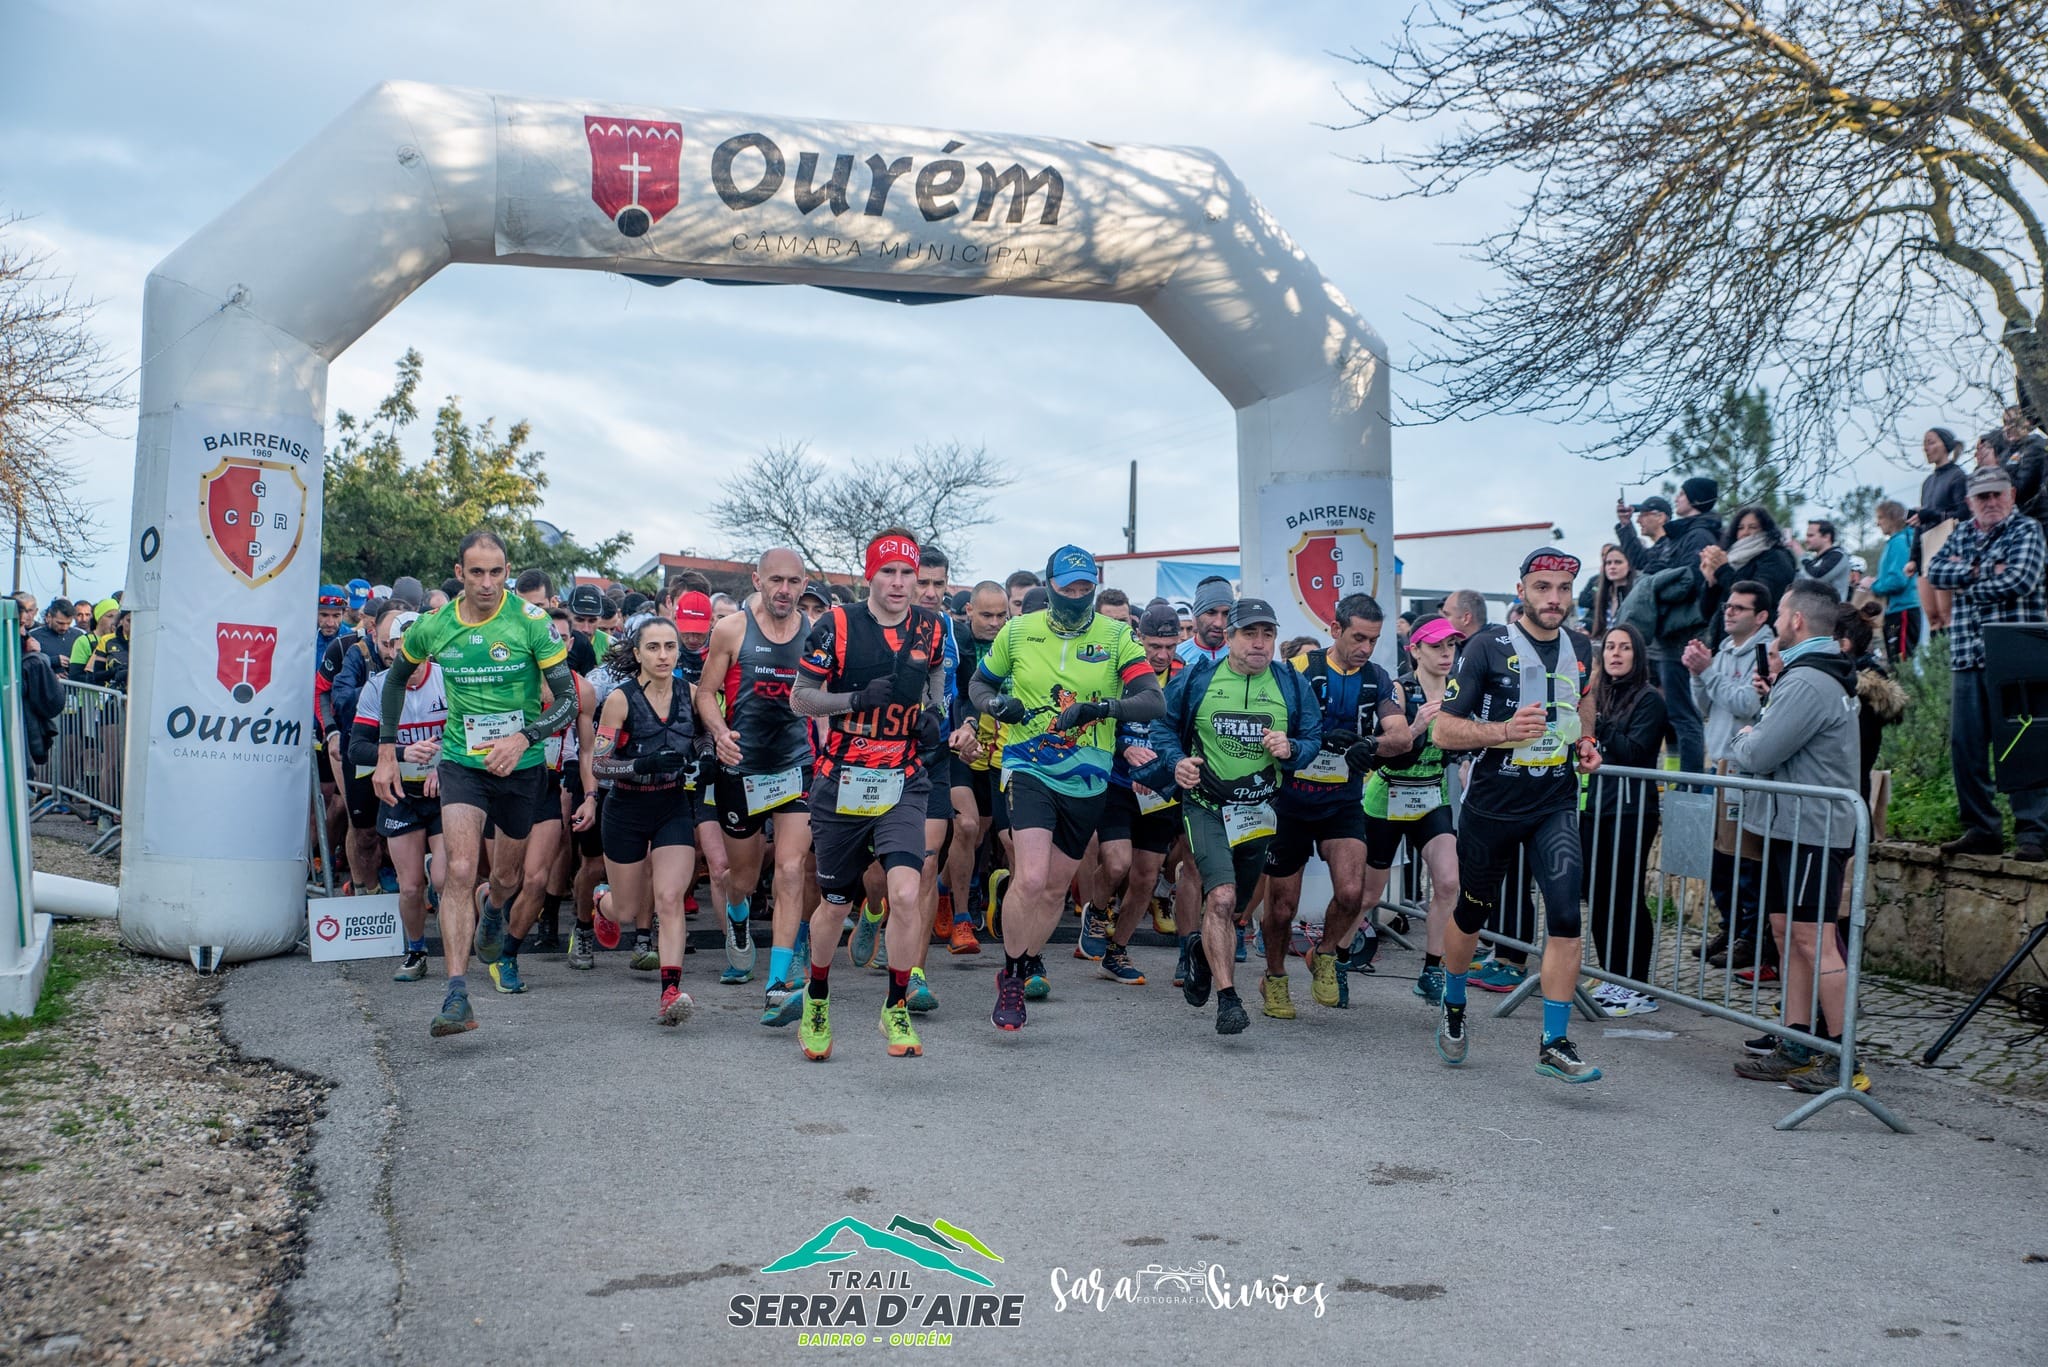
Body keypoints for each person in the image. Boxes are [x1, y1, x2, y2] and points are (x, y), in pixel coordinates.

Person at [373, 530, 576, 1039]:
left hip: (521, 765)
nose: (487, 583)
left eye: (497, 572)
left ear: (507, 572)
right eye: (476, 572)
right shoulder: (434, 626)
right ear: (459, 573)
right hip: (463, 761)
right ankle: (457, 993)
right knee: (459, 870)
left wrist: (523, 737)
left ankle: (496, 910)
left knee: (505, 877)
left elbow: (569, 702)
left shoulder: (530, 624)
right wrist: (385, 753)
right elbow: (396, 680)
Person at [970, 545, 1163, 1029]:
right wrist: (995, 705)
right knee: (1031, 877)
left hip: (1088, 774)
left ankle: (1028, 955)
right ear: (1050, 586)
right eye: (1067, 587)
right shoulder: (1017, 631)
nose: (1077, 596)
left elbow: (1152, 701)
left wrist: (1101, 710)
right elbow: (978, 685)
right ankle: (1012, 975)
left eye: (1084, 588)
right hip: (1028, 763)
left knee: (1055, 888)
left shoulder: (1117, 635)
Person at [1429, 548, 1604, 1083]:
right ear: (1522, 590)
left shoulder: (1579, 645)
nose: (1554, 599)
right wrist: (1505, 731)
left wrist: (1587, 740)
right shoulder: (1486, 646)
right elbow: (1443, 731)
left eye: (1563, 590)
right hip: (1493, 806)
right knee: (1471, 915)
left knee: (1567, 916)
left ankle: (1554, 1041)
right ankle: (1454, 1003)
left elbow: (1584, 701)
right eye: (1543, 588)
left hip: (1554, 801)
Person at [791, 529, 950, 1060]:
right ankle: (817, 995)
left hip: (903, 777)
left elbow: (936, 687)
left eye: (909, 573)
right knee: (835, 907)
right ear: (870, 575)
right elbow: (800, 700)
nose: (901, 583)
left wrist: (933, 719)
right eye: (890, 572)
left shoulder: (933, 626)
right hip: (842, 779)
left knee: (906, 892)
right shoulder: (836, 625)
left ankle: (896, 1004)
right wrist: (855, 698)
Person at [1141, 597, 1320, 1035]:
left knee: (1235, 908)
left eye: (1268, 634)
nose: (1259, 643)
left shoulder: (1291, 684)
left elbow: (1312, 735)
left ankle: (1202, 953)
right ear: (1230, 637)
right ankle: (1228, 999)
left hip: (1258, 811)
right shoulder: (1201, 678)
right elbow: (1162, 726)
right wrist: (1177, 760)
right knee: (1218, 898)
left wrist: (1292, 749)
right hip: (1205, 806)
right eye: (1250, 634)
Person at [1727, 579, 1869, 1095]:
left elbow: (1761, 752)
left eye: (1779, 614)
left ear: (1797, 621)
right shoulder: (1811, 674)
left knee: (1815, 938)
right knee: (1789, 932)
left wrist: (1744, 740)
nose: (1774, 623)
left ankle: (1844, 1056)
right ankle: (1797, 1041)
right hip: (1797, 825)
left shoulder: (1808, 681)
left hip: (1814, 828)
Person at [1260, 594, 1410, 1018]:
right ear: (1335, 630)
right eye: (1358, 637)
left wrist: (1371, 745)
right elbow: (1273, 724)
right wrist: (1312, 742)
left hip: (1340, 802)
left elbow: (1401, 736)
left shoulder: (1377, 677)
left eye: (1373, 639)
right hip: (1291, 801)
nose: (1365, 647)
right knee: (1282, 908)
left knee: (1351, 892)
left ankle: (1325, 953)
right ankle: (1273, 976)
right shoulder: (1300, 670)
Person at [698, 548, 819, 1027]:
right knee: (740, 877)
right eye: (776, 581)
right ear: (758, 580)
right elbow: (706, 692)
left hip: (796, 766)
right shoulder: (731, 629)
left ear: (804, 582)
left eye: (793, 581)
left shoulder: (818, 632)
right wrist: (719, 732)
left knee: (790, 870)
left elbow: (823, 699)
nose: (785, 590)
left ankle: (777, 984)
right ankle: (739, 912)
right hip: (741, 769)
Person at [1925, 466, 2048, 861]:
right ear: (1969, 503)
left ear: (2011, 495)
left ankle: (2034, 833)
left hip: (2018, 653)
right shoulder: (1959, 532)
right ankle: (1982, 830)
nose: (1991, 502)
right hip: (1967, 654)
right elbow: (1935, 572)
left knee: (2023, 745)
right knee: (1967, 747)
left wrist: (1966, 577)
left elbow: (2020, 580)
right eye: (1983, 497)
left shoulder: (2027, 530)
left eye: (1997, 495)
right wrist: (1983, 570)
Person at [591, 617, 702, 1027]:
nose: (663, 655)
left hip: (671, 805)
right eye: (653, 647)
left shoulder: (691, 693)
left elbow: (704, 736)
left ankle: (670, 991)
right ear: (637, 653)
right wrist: (642, 763)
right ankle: (600, 902)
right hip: (626, 809)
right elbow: (599, 765)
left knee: (670, 899)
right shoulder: (621, 700)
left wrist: (701, 755)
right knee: (626, 910)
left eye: (670, 646)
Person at [348, 609, 448, 982]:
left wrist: (442, 765)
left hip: (442, 790)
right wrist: (402, 753)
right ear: (389, 649)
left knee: (444, 877)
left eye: (412, 650)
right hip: (400, 793)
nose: (404, 657)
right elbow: (357, 747)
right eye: (396, 649)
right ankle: (416, 950)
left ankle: (454, 950)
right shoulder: (378, 687)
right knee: (409, 887)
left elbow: (469, 736)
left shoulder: (447, 679)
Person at [1092, 604, 1188, 983]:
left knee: (1146, 877)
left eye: (1170, 645)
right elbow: (1097, 717)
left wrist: (1165, 766)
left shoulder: (1185, 679)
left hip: (1160, 790)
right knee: (1117, 864)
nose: (1162, 655)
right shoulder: (1121, 670)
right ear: (1138, 639)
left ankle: (1117, 952)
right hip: (1118, 783)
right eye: (1153, 645)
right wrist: (1123, 748)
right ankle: (1097, 911)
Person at [1685, 579, 1777, 968]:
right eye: (1728, 605)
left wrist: (1707, 673)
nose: (1729, 611)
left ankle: (1750, 937)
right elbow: (1704, 704)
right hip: (1718, 763)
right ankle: (1730, 926)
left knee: (1745, 860)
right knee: (1719, 859)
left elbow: (1745, 703)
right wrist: (1696, 673)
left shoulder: (1764, 652)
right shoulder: (1723, 650)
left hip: (1743, 770)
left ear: (1760, 617)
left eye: (1739, 608)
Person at [1579, 624, 1668, 1013]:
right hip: (1595, 806)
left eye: (1625, 648)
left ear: (1638, 655)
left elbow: (1634, 752)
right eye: (1610, 647)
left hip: (1632, 810)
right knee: (1598, 894)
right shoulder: (1598, 693)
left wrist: (1598, 723)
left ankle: (1635, 984)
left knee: (1625, 894)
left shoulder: (1650, 700)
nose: (1615, 654)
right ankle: (1611, 974)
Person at [1615, 478, 1722, 773]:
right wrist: (1625, 528)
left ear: (1696, 501)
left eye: (1683, 494)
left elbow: (1689, 580)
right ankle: (1684, 784)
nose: (1677, 498)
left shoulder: (1698, 535)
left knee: (1684, 716)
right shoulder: (1684, 534)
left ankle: (1691, 787)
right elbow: (1646, 563)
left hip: (1681, 638)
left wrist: (1654, 586)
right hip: (1671, 637)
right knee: (1676, 714)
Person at [1698, 504, 1797, 645]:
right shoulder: (1731, 558)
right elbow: (1707, 613)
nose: (1745, 532)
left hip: (1759, 642)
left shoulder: (1776, 557)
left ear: (1766, 530)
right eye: (1740, 528)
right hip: (1724, 643)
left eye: (1752, 527)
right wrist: (1711, 582)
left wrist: (1722, 569)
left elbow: (1759, 597)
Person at [1913, 427, 1970, 631]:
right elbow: (1920, 521)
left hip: (1947, 548)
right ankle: (1937, 661)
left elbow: (1964, 513)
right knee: (1932, 616)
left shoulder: (1958, 476)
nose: (1926, 448)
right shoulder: (1928, 482)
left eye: (1931, 442)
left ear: (1945, 445)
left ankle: (1950, 658)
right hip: (1926, 549)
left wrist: (1932, 515)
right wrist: (1913, 557)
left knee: (1947, 614)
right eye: (1925, 444)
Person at [1869, 500, 1920, 660]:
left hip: (1903, 609)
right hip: (1899, 609)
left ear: (1892, 518)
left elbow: (1898, 579)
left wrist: (1874, 585)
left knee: (1902, 661)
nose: (1878, 523)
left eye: (1880, 518)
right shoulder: (1899, 540)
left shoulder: (1899, 542)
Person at [1579, 545, 1635, 637]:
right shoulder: (1603, 593)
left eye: (1618, 562)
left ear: (1629, 565)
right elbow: (1582, 600)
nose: (1612, 567)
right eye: (1608, 563)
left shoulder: (1636, 593)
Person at [1176, 579, 1233, 666]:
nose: (1219, 623)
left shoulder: (1241, 655)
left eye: (1226, 614)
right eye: (1211, 613)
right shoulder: (1177, 656)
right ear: (1196, 615)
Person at [1801, 520, 1852, 600]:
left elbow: (1817, 579)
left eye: (1810, 536)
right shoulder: (1817, 560)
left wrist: (1802, 557)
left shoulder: (1837, 556)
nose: (1806, 540)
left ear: (1826, 537)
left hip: (1831, 611)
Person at [29, 599, 80, 676]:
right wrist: (52, 661)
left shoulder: (78, 635)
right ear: (49, 617)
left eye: (68, 623)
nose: (64, 628)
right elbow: (27, 664)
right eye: (60, 623)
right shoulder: (33, 636)